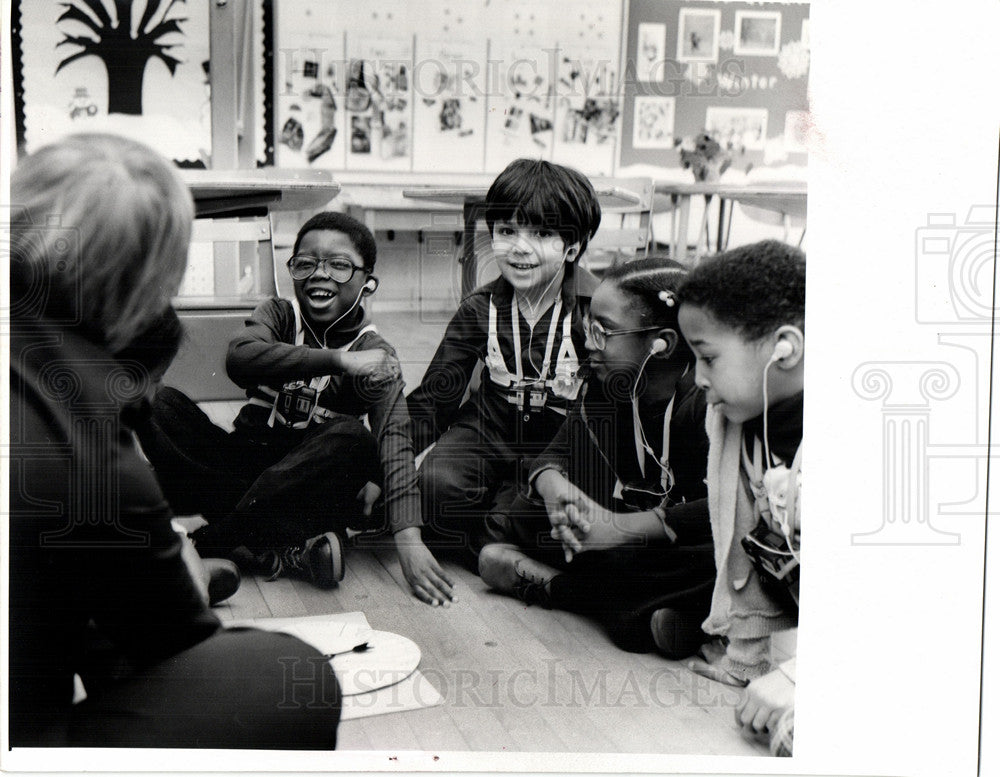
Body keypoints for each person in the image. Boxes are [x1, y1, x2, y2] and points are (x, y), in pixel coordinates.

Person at [9, 133, 341, 748]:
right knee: (293, 676)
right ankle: (183, 560)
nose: (320, 276)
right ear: (157, 280)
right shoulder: (87, 449)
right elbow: (173, 648)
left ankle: (175, 562)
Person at [136, 212, 454, 606]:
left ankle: (211, 542)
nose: (320, 274)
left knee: (354, 438)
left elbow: (393, 434)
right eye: (306, 263)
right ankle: (283, 549)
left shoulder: (375, 353)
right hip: (243, 471)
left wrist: (408, 537)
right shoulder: (278, 313)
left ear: (367, 282)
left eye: (339, 265)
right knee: (156, 401)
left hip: (306, 490)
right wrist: (336, 360)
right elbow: (241, 358)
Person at [477, 258, 715, 656]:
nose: (589, 343)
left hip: (681, 540)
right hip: (631, 544)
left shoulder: (705, 401)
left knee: (725, 561)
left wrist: (620, 529)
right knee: (526, 514)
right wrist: (554, 489)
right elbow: (554, 455)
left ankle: (571, 593)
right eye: (589, 328)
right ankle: (653, 615)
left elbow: (725, 508)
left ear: (663, 345)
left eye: (604, 331)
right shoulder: (608, 387)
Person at [407, 158, 602, 568]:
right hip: (488, 426)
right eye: (506, 230)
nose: (519, 247)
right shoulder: (479, 307)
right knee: (433, 487)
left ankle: (497, 523)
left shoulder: (596, 310)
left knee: (550, 511)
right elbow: (435, 396)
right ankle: (498, 530)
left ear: (573, 246)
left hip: (558, 443)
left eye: (542, 233)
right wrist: (389, 467)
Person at [675, 240, 804, 753]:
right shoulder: (742, 426)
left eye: (708, 357)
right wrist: (749, 663)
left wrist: (799, 678)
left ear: (784, 347)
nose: (699, 378)